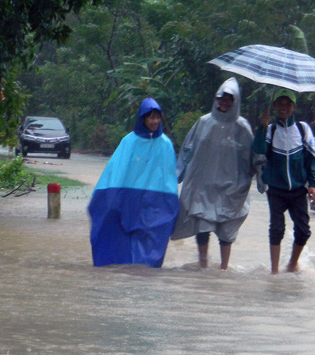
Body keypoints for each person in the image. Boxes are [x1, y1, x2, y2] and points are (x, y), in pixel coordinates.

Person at [171, 78, 261, 270]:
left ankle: (223, 269)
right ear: (216, 99)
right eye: (222, 98)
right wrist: (176, 176)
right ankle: (203, 264)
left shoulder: (242, 127)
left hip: (231, 186)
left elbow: (254, 156)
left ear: (235, 101)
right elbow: (187, 149)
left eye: (229, 99)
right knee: (202, 226)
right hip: (204, 185)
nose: (224, 103)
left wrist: (261, 178)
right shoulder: (203, 122)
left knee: (226, 229)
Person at [88, 98, 179, 268]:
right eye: (151, 117)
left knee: (152, 241)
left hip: (154, 203)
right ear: (142, 118)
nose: (155, 121)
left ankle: (144, 274)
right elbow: (116, 172)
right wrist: (110, 200)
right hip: (130, 200)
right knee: (121, 237)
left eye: (157, 117)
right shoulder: (129, 142)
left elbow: (169, 179)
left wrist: (171, 205)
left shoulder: (166, 145)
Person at [251, 89, 315, 274]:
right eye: (280, 104)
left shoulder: (303, 129)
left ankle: (292, 264)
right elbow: (258, 149)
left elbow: (312, 160)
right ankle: (274, 272)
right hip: (276, 189)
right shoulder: (271, 130)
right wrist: (262, 127)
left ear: (294, 106)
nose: (284, 108)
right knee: (276, 228)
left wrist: (313, 184)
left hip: (298, 190)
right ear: (274, 106)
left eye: (287, 104)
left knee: (304, 230)